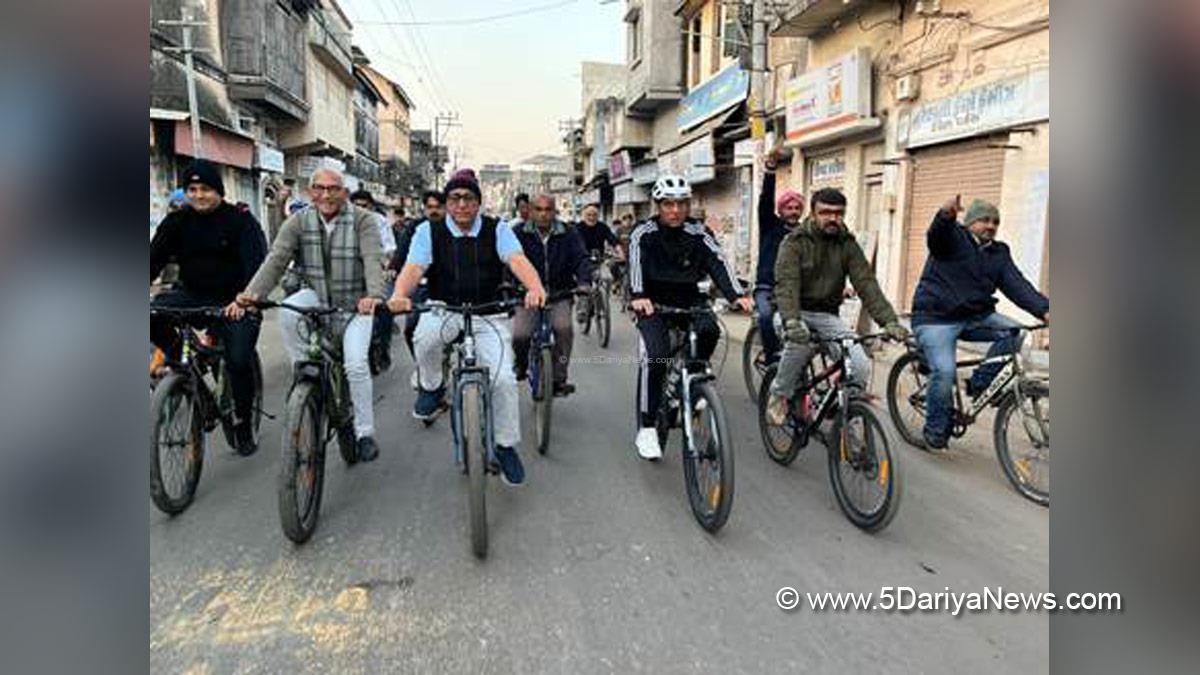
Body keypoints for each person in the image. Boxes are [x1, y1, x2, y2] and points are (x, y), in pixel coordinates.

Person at [387, 169, 547, 486]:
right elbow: (414, 267)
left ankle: (504, 446)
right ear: (447, 203)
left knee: (502, 380)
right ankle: (431, 387)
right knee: (424, 337)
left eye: (468, 199)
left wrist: (535, 287)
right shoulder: (428, 232)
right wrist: (399, 295)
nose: (461, 205)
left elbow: (516, 260)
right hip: (443, 309)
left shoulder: (497, 229)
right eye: (455, 198)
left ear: (478, 203)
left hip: (489, 313)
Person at [226, 166, 387, 462]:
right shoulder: (298, 221)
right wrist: (251, 295)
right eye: (319, 188)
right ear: (311, 192)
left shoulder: (363, 220)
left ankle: (365, 432)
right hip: (316, 296)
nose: (326, 195)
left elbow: (373, 259)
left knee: (355, 365)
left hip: (355, 304)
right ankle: (303, 367)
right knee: (289, 311)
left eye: (333, 189)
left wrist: (374, 296)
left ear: (344, 193)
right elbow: (276, 260)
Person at [628, 174, 753, 460]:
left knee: (710, 330)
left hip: (690, 301)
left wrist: (736, 295)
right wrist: (638, 295)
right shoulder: (643, 232)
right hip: (653, 305)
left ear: (689, 205)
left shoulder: (699, 232)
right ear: (658, 205)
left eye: (681, 204)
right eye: (668, 204)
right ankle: (647, 426)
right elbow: (635, 265)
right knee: (656, 357)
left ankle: (693, 378)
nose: (675, 210)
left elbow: (718, 262)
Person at [912, 196, 1049, 449]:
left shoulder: (999, 252)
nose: (991, 226)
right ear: (970, 222)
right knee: (944, 371)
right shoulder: (952, 238)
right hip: (936, 319)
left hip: (975, 317)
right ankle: (934, 431)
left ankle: (979, 385)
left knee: (1015, 334)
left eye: (995, 221)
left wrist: (1045, 311)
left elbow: (1017, 286)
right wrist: (945, 215)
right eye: (984, 220)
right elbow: (936, 235)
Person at [151, 160, 268, 454]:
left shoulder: (241, 221)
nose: (199, 195)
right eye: (192, 189)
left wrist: (246, 299)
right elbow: (152, 259)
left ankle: (242, 423)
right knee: (150, 314)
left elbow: (258, 266)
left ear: (219, 191)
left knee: (238, 360)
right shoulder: (177, 222)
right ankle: (183, 362)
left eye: (205, 189)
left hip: (237, 301)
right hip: (192, 295)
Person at [765, 188, 909, 425]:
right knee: (799, 344)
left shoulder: (847, 244)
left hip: (827, 316)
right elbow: (786, 286)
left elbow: (866, 284)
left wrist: (889, 321)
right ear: (812, 213)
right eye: (825, 212)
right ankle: (779, 394)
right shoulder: (794, 242)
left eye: (838, 213)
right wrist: (791, 321)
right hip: (792, 312)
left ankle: (841, 411)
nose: (833, 218)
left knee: (859, 365)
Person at [511, 194, 590, 396]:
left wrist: (583, 282)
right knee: (521, 335)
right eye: (539, 209)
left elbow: (581, 259)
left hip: (559, 293)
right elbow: (508, 260)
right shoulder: (518, 233)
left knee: (564, 330)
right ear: (530, 210)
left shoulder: (569, 233)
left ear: (555, 212)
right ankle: (521, 364)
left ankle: (558, 379)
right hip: (526, 294)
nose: (543, 214)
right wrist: (506, 284)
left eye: (548, 210)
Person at [754, 148, 805, 365]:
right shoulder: (770, 226)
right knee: (765, 317)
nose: (793, 211)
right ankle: (772, 357)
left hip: (794, 290)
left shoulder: (805, 233)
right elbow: (765, 201)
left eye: (797, 208)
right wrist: (770, 170)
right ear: (781, 211)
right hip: (767, 288)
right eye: (788, 208)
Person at [390, 190, 446, 359]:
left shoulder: (454, 227)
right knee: (411, 329)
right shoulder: (416, 228)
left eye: (438, 207)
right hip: (421, 284)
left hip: (447, 286)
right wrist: (394, 267)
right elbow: (403, 251)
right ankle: (421, 365)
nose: (433, 211)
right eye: (429, 207)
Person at [351, 189, 399, 374]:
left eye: (364, 205)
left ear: (370, 206)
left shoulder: (380, 222)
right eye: (356, 205)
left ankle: (383, 348)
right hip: (349, 276)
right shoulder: (342, 221)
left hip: (376, 273)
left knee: (385, 308)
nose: (360, 209)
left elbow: (389, 250)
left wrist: (387, 269)